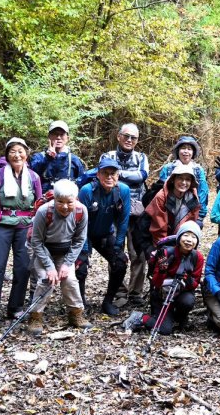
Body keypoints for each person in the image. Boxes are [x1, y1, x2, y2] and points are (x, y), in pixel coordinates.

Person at [0, 137, 42, 325]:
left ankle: (16, 307)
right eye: (13, 151)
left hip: (25, 227)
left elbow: (39, 205)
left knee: (23, 268)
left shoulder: (33, 177)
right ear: (7, 155)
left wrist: (37, 229)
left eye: (20, 151)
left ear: (26, 154)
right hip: (1, 225)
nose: (17, 155)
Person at [25, 180, 91, 334]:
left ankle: (76, 314)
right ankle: (35, 315)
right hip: (43, 250)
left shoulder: (82, 211)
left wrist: (67, 264)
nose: (65, 206)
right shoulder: (44, 211)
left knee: (69, 280)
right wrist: (49, 267)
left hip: (64, 251)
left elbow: (80, 240)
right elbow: (36, 241)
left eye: (69, 202)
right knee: (46, 279)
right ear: (54, 199)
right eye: (60, 202)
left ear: (75, 199)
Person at [122, 222, 205, 335]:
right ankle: (140, 317)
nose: (189, 240)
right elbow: (156, 282)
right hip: (161, 294)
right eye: (186, 235)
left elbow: (195, 282)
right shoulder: (166, 253)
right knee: (165, 330)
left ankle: (178, 317)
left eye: (193, 237)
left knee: (188, 301)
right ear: (179, 237)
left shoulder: (197, 257)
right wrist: (162, 270)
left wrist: (187, 280)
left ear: (197, 241)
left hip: (179, 292)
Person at [101, 123, 150, 307]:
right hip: (112, 211)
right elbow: (105, 175)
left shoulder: (141, 157)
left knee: (138, 253)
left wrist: (117, 173)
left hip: (137, 212)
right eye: (126, 136)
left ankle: (135, 292)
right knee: (115, 251)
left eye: (134, 137)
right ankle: (117, 291)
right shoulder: (107, 156)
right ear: (118, 136)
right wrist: (125, 175)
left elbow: (142, 176)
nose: (129, 140)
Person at [77, 157, 132, 316]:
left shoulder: (123, 190)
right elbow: (81, 223)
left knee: (120, 262)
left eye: (113, 173)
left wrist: (118, 245)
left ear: (118, 175)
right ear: (98, 175)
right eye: (105, 173)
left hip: (105, 234)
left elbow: (123, 220)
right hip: (84, 234)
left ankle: (108, 301)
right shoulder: (87, 191)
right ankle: (79, 303)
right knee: (80, 267)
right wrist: (85, 250)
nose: (109, 177)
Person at [145, 163, 202, 247]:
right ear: (173, 179)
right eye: (180, 178)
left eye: (187, 179)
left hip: (181, 239)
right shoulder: (162, 197)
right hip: (160, 238)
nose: (183, 182)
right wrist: (162, 247)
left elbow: (191, 222)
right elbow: (159, 227)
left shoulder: (192, 197)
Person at [156, 135, 209, 223]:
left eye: (189, 149)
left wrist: (200, 216)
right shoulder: (168, 168)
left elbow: (203, 193)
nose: (186, 151)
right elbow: (160, 190)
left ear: (193, 152)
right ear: (178, 151)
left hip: (190, 211)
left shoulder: (198, 170)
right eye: (183, 148)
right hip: (169, 210)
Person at [29, 121, 86, 193]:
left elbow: (81, 181)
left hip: (66, 200)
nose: (58, 137)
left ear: (67, 138)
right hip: (44, 199)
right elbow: (30, 177)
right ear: (49, 136)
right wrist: (48, 158)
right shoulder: (39, 157)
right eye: (55, 134)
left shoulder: (74, 159)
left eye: (62, 134)